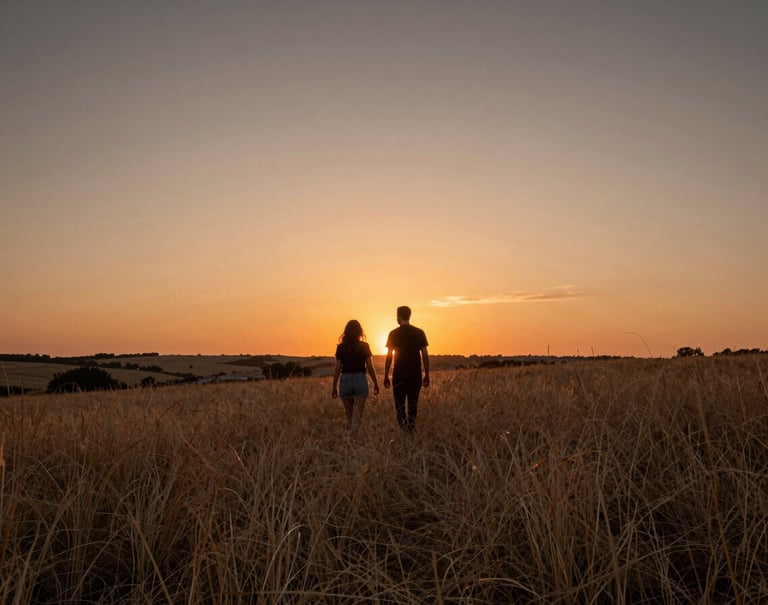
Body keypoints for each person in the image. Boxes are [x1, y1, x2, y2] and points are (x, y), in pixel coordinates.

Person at [383, 306, 429, 433]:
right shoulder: (419, 332)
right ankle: (411, 430)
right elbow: (424, 355)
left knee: (400, 406)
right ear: (409, 315)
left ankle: (404, 432)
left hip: (399, 375)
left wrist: (386, 375)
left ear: (399, 316)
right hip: (415, 374)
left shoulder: (393, 333)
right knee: (413, 405)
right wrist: (427, 374)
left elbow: (389, 356)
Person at [332, 320, 379, 439]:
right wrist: (375, 383)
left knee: (349, 415)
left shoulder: (340, 347)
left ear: (346, 332)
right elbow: (369, 366)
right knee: (357, 416)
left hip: (345, 380)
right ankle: (352, 440)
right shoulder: (364, 346)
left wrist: (334, 387)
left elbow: (337, 368)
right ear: (359, 332)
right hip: (360, 379)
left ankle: (349, 443)